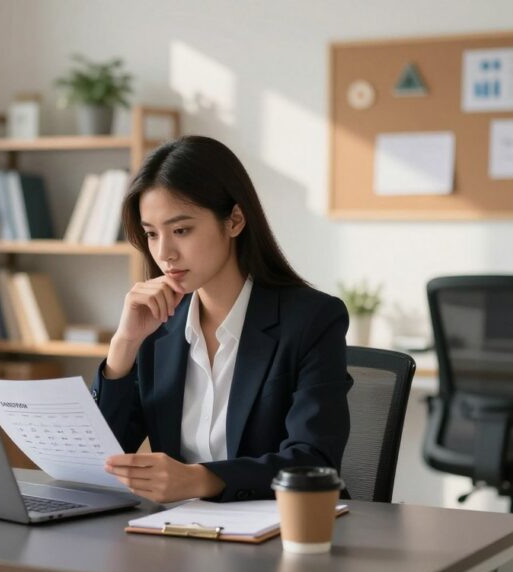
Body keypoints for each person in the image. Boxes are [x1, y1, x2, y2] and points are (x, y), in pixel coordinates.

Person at [93, 135, 352, 504]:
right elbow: (101, 459)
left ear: (234, 220)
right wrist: (124, 344)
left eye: (181, 230)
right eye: (152, 234)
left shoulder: (312, 320)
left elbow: (314, 461)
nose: (164, 252)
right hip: (180, 534)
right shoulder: (157, 325)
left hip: (279, 534)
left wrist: (200, 480)